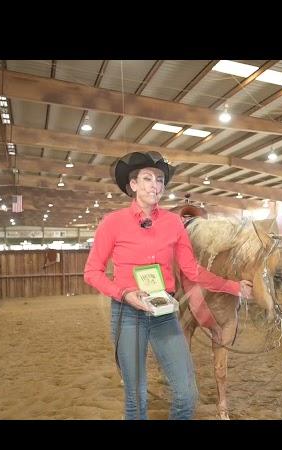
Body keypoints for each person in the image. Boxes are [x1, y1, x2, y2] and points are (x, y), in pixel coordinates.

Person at [84, 151, 253, 420]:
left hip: (164, 313)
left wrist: (233, 287)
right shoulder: (112, 223)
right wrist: (124, 293)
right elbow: (92, 272)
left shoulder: (174, 223)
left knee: (187, 394)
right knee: (136, 398)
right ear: (134, 185)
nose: (155, 185)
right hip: (128, 314)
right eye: (148, 178)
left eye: (160, 179)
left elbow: (192, 271)